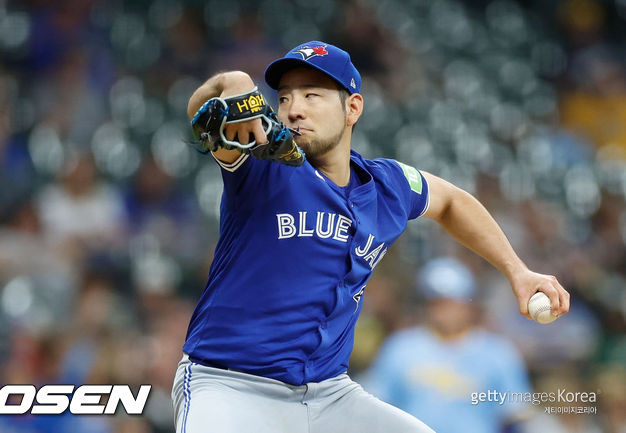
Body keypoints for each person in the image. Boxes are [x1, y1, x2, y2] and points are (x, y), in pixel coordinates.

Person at [172, 41, 570, 433]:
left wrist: (518, 271)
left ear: (353, 108)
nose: (294, 109)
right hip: (230, 386)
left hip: (327, 395)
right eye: (285, 98)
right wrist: (232, 82)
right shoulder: (262, 167)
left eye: (312, 95)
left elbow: (452, 202)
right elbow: (204, 117)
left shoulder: (388, 186)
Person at [365, 257, 532, 433]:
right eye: (436, 302)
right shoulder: (400, 347)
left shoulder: (498, 352)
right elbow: (378, 408)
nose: (443, 311)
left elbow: (514, 417)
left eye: (451, 302)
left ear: (468, 305)